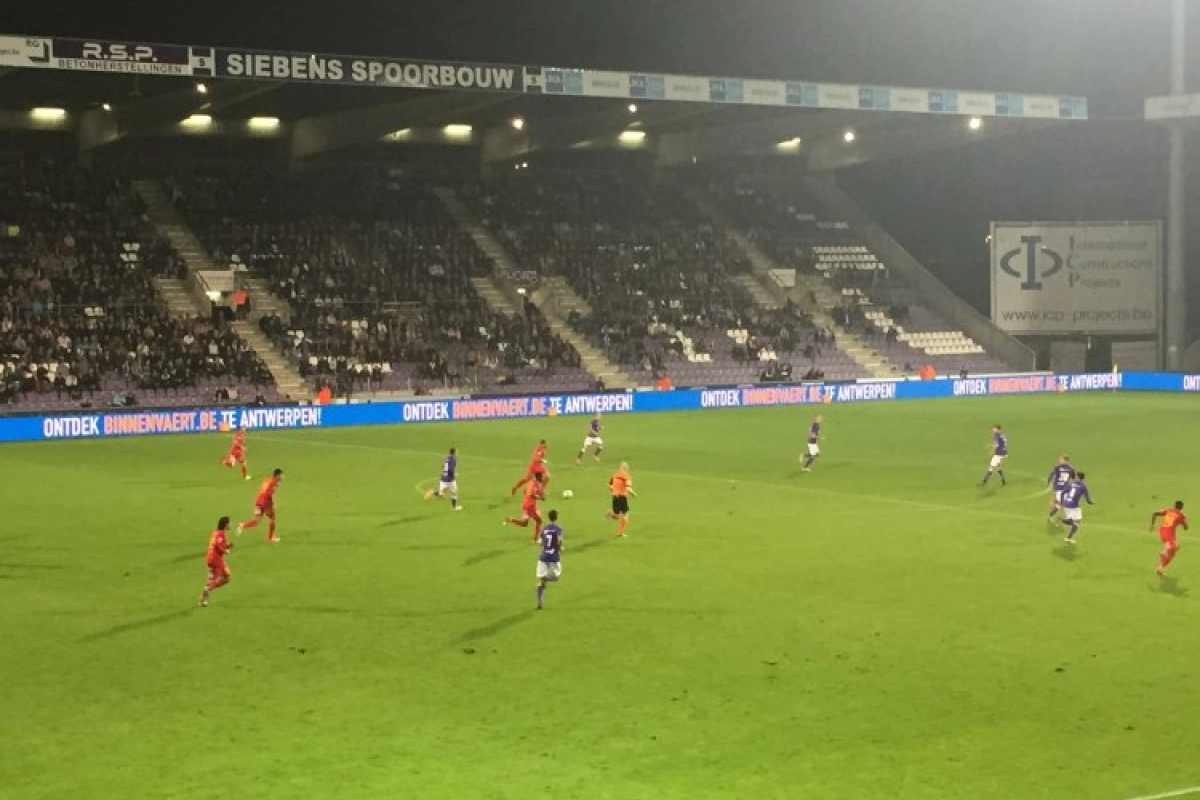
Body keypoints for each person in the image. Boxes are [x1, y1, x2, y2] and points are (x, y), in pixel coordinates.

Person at [238, 468, 283, 542]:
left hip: (259, 502)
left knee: (256, 521)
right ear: (277, 475)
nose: (282, 477)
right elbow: (268, 494)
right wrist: (272, 504)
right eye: (281, 475)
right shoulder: (274, 483)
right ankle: (270, 537)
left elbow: (264, 491)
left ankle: (242, 525)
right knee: (272, 519)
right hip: (266, 503)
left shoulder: (267, 480)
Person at [199, 517, 234, 607]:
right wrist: (225, 551)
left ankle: (202, 600)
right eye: (229, 523)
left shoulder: (215, 533)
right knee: (227, 577)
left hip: (209, 559)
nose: (230, 524)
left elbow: (218, 544)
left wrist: (227, 546)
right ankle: (209, 588)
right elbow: (218, 546)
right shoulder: (221, 534)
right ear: (225, 524)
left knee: (211, 579)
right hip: (216, 560)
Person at [536, 509, 564, 610]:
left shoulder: (544, 529)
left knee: (539, 579)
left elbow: (539, 542)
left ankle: (539, 601)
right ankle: (545, 579)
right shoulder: (558, 529)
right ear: (557, 517)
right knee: (557, 576)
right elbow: (559, 541)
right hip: (554, 557)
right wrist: (560, 548)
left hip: (543, 556)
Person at [1151, 500, 1188, 576]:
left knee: (1174, 549)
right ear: (1182, 507)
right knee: (1172, 552)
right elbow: (1186, 527)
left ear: (1174, 506)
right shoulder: (1181, 515)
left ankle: (1163, 558)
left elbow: (1155, 513)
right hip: (1168, 535)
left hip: (1163, 532)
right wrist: (1184, 522)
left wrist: (1152, 525)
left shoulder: (1168, 510)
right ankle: (1160, 566)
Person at [504, 472, 544, 540]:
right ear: (538, 477)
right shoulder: (533, 484)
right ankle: (536, 539)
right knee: (539, 520)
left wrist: (540, 494)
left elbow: (525, 491)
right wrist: (539, 497)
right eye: (541, 477)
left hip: (528, 505)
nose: (542, 478)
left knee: (524, 524)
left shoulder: (534, 483)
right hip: (529, 506)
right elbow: (530, 494)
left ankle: (511, 519)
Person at [1060, 472, 1094, 544]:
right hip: (1073, 506)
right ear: (1083, 478)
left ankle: (1068, 535)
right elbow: (1088, 500)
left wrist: (1062, 502)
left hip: (1066, 504)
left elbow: (1063, 493)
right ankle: (1068, 522)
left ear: (1077, 477)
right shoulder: (1083, 486)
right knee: (1077, 522)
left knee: (1077, 522)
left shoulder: (1071, 484)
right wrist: (1091, 503)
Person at [605, 462, 636, 537]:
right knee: (623, 517)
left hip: (615, 497)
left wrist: (613, 491)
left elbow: (609, 485)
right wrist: (634, 494)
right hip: (622, 497)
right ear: (626, 469)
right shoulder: (627, 476)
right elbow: (628, 488)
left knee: (619, 516)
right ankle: (620, 532)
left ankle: (619, 532)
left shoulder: (614, 475)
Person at [1046, 455, 1076, 521]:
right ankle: (1051, 515)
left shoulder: (1057, 467)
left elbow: (1051, 474)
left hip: (1062, 487)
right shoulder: (1071, 468)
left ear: (1066, 461)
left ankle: (1051, 514)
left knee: (1057, 501)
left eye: (1061, 459)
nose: (1059, 460)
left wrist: (1048, 481)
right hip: (1059, 488)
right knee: (1061, 502)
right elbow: (1073, 477)